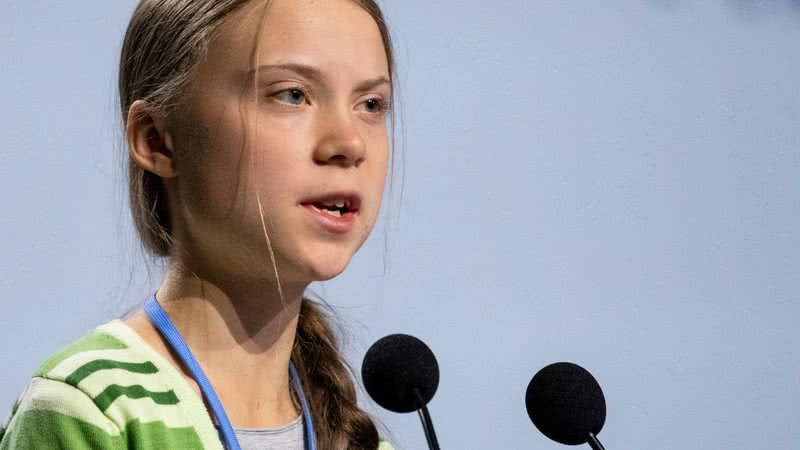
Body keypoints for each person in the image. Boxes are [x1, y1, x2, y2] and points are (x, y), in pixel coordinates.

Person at [0, 0, 398, 448]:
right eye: (291, 94)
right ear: (156, 140)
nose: (349, 142)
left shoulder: (359, 440)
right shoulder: (93, 410)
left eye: (371, 103)